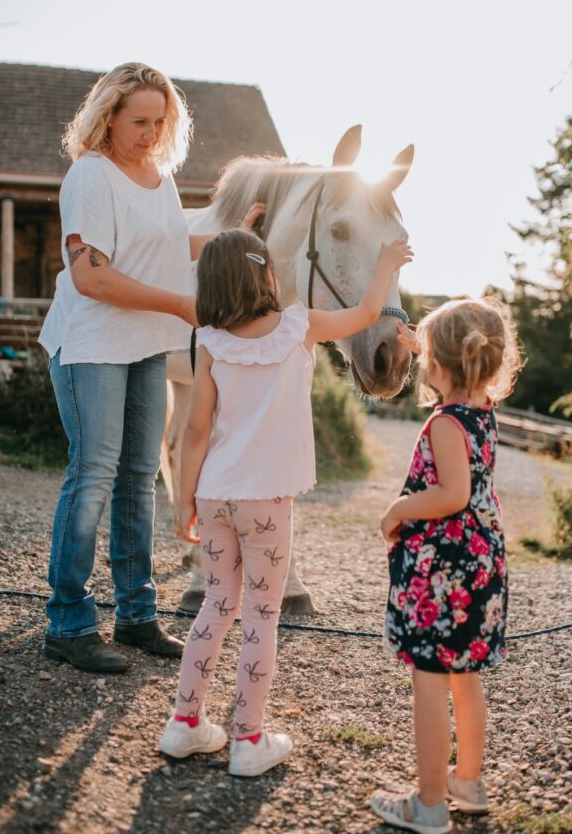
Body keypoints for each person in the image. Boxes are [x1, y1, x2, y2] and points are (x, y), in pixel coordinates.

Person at [158, 227, 412, 776]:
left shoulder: (211, 342)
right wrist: (386, 265)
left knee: (215, 605)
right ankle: (249, 738)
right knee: (260, 614)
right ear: (266, 276)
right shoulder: (302, 326)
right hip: (267, 502)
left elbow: (196, 430)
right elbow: (368, 313)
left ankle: (184, 723)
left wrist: (184, 501)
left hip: (216, 495)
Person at [39, 61, 262, 675]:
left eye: (159, 122)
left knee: (138, 477)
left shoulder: (159, 177)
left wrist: (233, 238)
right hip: (90, 344)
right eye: (139, 121)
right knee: (93, 474)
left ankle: (136, 616)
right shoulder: (90, 175)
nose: (150, 133)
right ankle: (67, 623)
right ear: (108, 115)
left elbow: (166, 244)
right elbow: (90, 276)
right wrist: (180, 305)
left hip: (143, 345)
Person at [370, 298, 522, 834]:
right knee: (464, 674)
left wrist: (398, 509)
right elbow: (457, 362)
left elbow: (452, 494)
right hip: (480, 565)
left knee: (430, 681)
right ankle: (469, 783)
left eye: (428, 356)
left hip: (444, 571)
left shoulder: (445, 423)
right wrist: (423, 344)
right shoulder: (482, 408)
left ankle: (429, 804)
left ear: (441, 365)